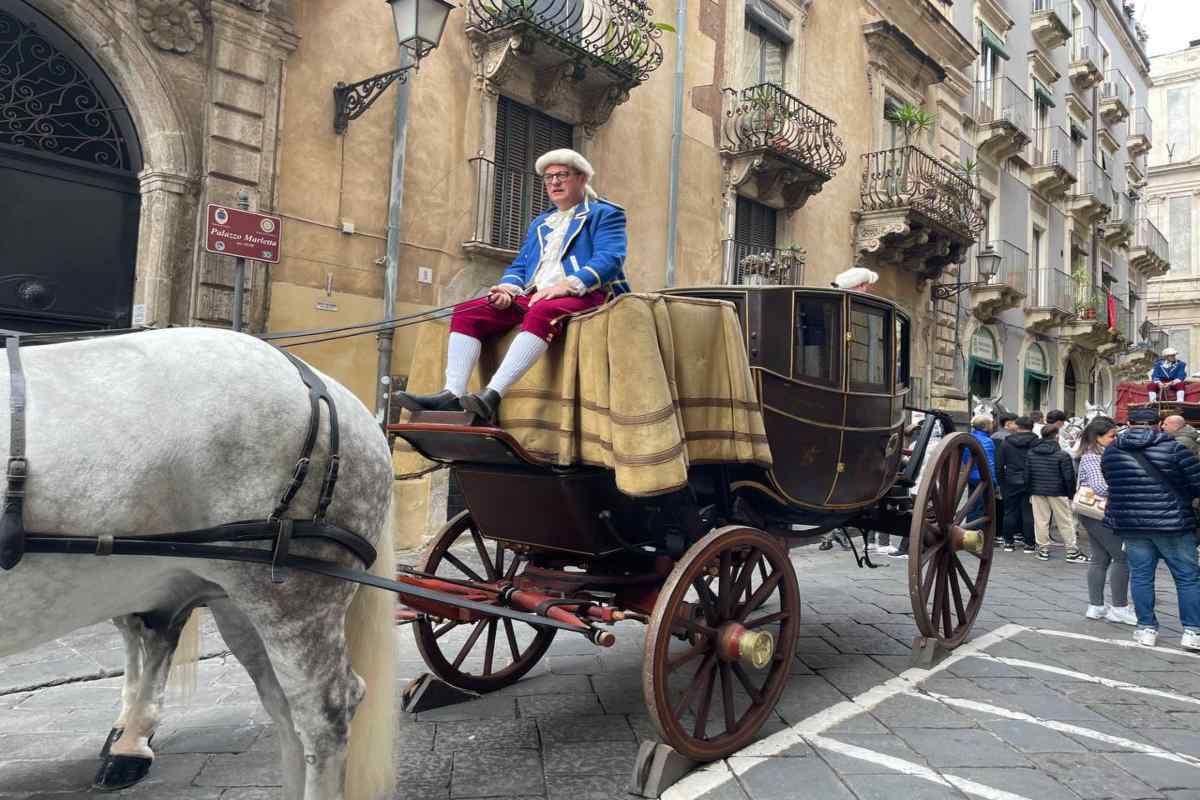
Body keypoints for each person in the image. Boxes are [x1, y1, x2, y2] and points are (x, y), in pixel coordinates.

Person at [393, 148, 629, 421]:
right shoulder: (542, 223)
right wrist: (507, 289)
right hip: (535, 295)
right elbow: (520, 265)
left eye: (562, 175)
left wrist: (567, 285)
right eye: (549, 177)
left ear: (582, 178)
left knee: (542, 310)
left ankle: (492, 394)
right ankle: (452, 394)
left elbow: (610, 259)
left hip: (586, 293)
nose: (554, 182)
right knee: (468, 311)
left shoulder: (605, 214)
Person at [1102, 406, 1200, 650]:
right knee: (1187, 578)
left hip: (1131, 523)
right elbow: (1196, 483)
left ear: (1128, 424)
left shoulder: (1112, 450)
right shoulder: (1174, 448)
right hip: (1173, 523)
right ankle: (1192, 631)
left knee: (1142, 576)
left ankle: (1146, 628)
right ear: (1158, 424)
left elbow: (1111, 482)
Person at [1075, 417, 1136, 625]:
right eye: (1111, 436)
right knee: (1122, 557)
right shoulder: (1092, 457)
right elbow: (1100, 487)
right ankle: (1119, 607)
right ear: (1097, 438)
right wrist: (1127, 486)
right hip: (1100, 512)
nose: (1115, 439)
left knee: (1099, 558)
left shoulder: (1096, 454)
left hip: (1093, 513)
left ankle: (1096, 606)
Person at [1026, 423, 1087, 563]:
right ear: (1057, 436)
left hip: (1037, 490)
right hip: (1058, 492)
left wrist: (1030, 490)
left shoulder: (1031, 453)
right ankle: (1072, 551)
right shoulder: (1062, 455)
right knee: (1065, 521)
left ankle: (1043, 549)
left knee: (1040, 521)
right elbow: (1069, 477)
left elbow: (1027, 475)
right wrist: (1071, 494)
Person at [995, 416, 1038, 553]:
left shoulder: (1006, 443)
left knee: (1009, 511)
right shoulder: (1036, 442)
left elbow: (999, 465)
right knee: (1029, 512)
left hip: (1011, 480)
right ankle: (1029, 543)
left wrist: (1001, 481)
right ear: (1032, 427)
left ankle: (1008, 542)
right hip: (1031, 480)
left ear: (1017, 427)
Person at [966, 415, 996, 523]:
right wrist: (994, 482)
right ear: (985, 427)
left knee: (972, 505)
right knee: (981, 508)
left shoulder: (968, 438)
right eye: (991, 424)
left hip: (970, 476)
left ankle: (969, 527)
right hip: (983, 477)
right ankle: (977, 530)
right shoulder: (987, 441)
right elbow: (989, 463)